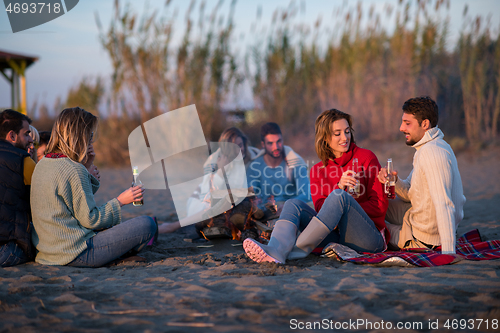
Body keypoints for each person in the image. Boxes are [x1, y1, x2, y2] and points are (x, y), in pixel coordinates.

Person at [244, 109, 389, 263]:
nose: (345, 137)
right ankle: (276, 249)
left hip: (368, 239)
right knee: (292, 203)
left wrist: (347, 205)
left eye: (347, 131)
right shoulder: (317, 170)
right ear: (325, 138)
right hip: (337, 237)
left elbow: (379, 207)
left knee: (338, 197)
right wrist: (339, 186)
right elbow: (322, 211)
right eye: (337, 133)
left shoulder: (366, 158)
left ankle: (294, 252)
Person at [31, 107, 157, 267]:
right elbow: (90, 219)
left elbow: (74, 203)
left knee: (115, 227)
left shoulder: (43, 164)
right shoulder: (73, 169)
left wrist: (87, 164)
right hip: (76, 253)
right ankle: (115, 256)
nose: (91, 140)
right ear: (79, 136)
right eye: (89, 135)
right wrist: (120, 201)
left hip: (48, 253)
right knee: (147, 224)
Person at [378, 96, 466, 254]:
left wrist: (447, 252)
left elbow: (444, 204)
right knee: (373, 203)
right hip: (416, 218)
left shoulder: (432, 153)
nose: (401, 128)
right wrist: (395, 181)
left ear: (425, 124)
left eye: (407, 123)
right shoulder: (431, 146)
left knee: (374, 226)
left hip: (422, 239)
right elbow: (410, 194)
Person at [159, 127, 258, 235]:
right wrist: (221, 171)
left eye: (240, 145)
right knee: (214, 206)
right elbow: (208, 191)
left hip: (229, 201)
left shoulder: (252, 155)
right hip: (201, 200)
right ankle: (173, 226)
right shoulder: (214, 161)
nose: (238, 150)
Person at [246, 122, 311, 212]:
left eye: (278, 141)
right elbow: (251, 195)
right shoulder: (255, 167)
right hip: (266, 213)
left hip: (293, 210)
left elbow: (306, 194)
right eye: (270, 143)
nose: (275, 147)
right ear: (263, 144)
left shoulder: (295, 162)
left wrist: (288, 205)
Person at [0, 109, 36, 267]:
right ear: (12, 136)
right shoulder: (24, 162)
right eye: (26, 133)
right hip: (7, 249)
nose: (30, 139)